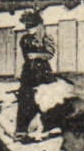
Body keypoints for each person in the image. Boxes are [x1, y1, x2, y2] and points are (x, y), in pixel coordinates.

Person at [14, 11, 57, 140]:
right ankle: (23, 129)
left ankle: (49, 126)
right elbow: (24, 54)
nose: (28, 28)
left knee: (45, 98)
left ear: (38, 25)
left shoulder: (45, 37)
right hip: (28, 71)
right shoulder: (24, 39)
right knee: (25, 99)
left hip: (42, 71)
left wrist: (37, 55)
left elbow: (50, 54)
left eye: (31, 25)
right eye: (26, 26)